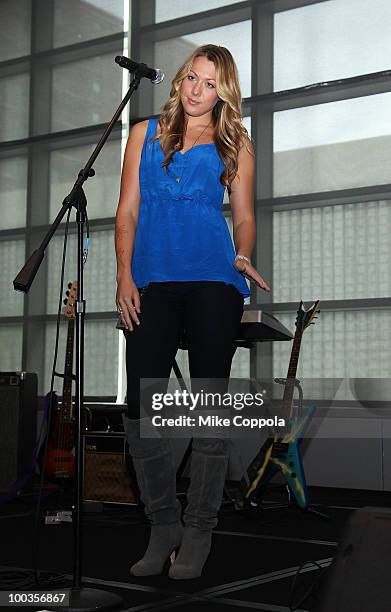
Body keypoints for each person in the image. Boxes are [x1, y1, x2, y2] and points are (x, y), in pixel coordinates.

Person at [114, 44, 271, 580]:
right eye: (190, 78)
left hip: (213, 277)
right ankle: (164, 523)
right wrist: (123, 276)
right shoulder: (143, 134)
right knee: (141, 409)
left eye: (208, 83)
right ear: (180, 80)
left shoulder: (236, 144)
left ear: (223, 92)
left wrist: (243, 255)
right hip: (152, 278)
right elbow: (127, 210)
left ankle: (200, 527)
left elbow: (245, 218)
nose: (195, 89)